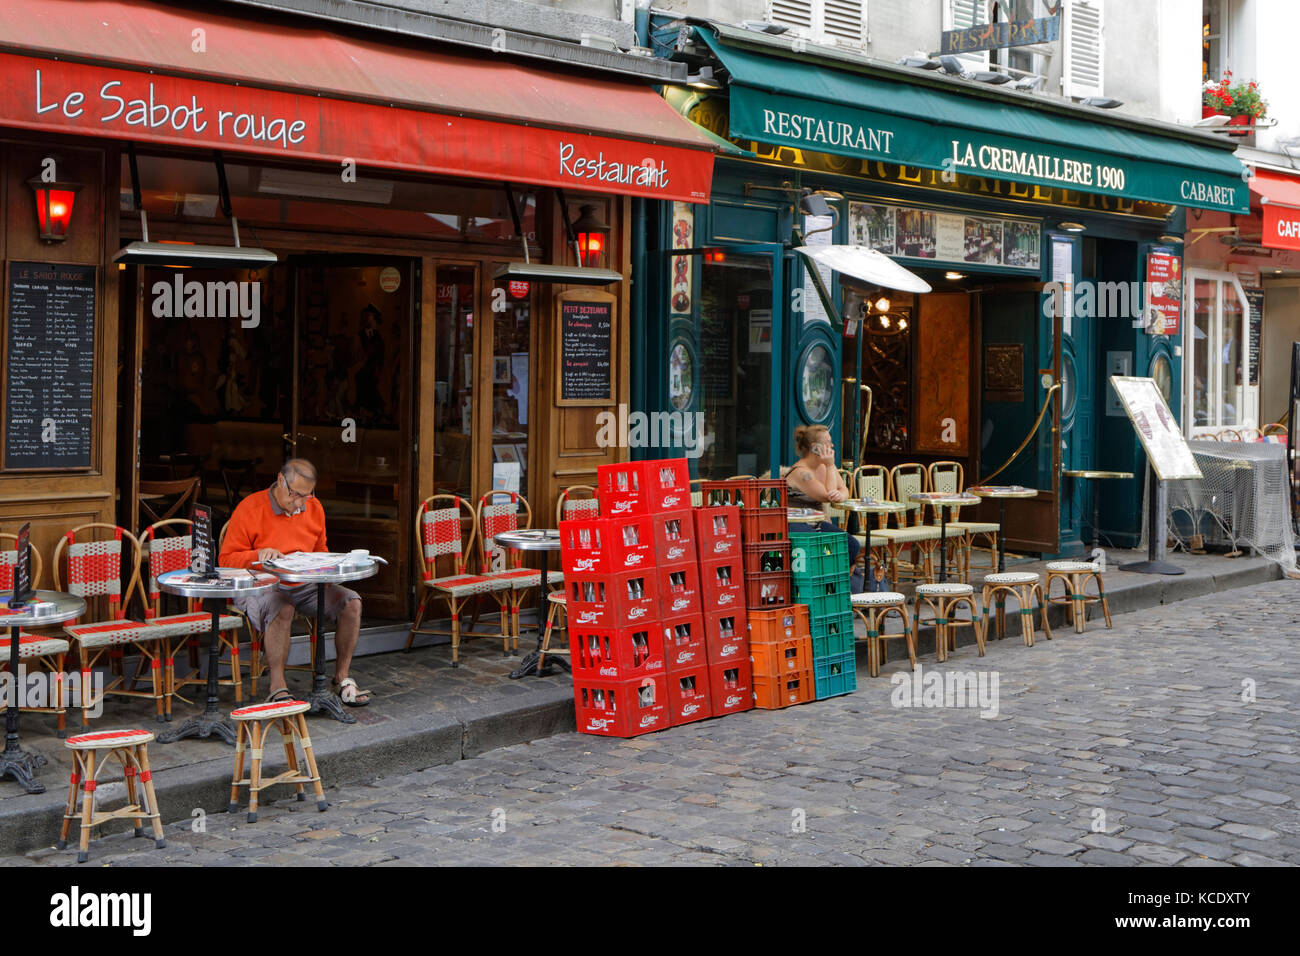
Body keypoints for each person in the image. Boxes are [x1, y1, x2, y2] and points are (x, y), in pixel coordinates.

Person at [219, 459, 370, 706]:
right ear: (280, 480)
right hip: (260, 585)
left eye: (306, 496)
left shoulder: (313, 507)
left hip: (303, 584)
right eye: (295, 495)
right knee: (283, 607)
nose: (300, 503)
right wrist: (257, 555)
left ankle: (341, 677)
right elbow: (225, 560)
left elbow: (321, 550)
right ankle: (278, 685)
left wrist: (331, 566)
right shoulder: (250, 508)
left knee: (351, 602)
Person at [785, 425, 863, 588]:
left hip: (816, 524)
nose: (832, 445)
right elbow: (827, 495)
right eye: (828, 442)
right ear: (816, 447)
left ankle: (838, 585)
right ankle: (822, 587)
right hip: (794, 525)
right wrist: (829, 467)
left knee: (851, 545)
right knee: (820, 546)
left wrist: (841, 495)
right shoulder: (801, 472)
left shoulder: (825, 466)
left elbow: (843, 489)